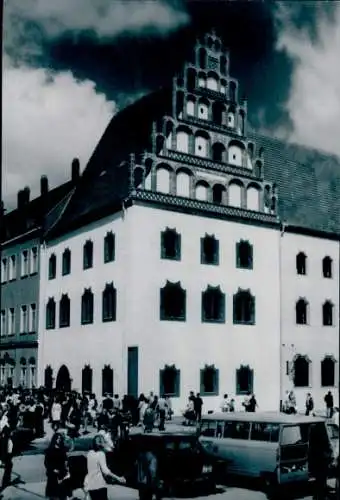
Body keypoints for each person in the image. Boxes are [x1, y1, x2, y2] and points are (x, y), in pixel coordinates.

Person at [85, 434, 125, 500]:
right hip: (99, 485)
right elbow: (105, 470)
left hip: (91, 485)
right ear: (102, 443)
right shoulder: (101, 454)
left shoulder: (89, 453)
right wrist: (118, 478)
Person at [44, 432, 71, 500]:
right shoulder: (49, 450)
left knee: (63, 496)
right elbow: (47, 463)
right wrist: (53, 470)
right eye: (57, 438)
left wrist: (66, 467)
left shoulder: (63, 449)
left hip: (62, 474)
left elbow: (65, 460)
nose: (59, 440)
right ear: (54, 439)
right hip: (53, 476)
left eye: (60, 438)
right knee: (53, 496)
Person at [0, 425, 13, 492]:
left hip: (6, 457)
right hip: (6, 457)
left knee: (9, 467)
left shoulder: (5, 439)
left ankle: (7, 481)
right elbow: (6, 450)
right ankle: (6, 482)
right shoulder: (7, 440)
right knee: (9, 466)